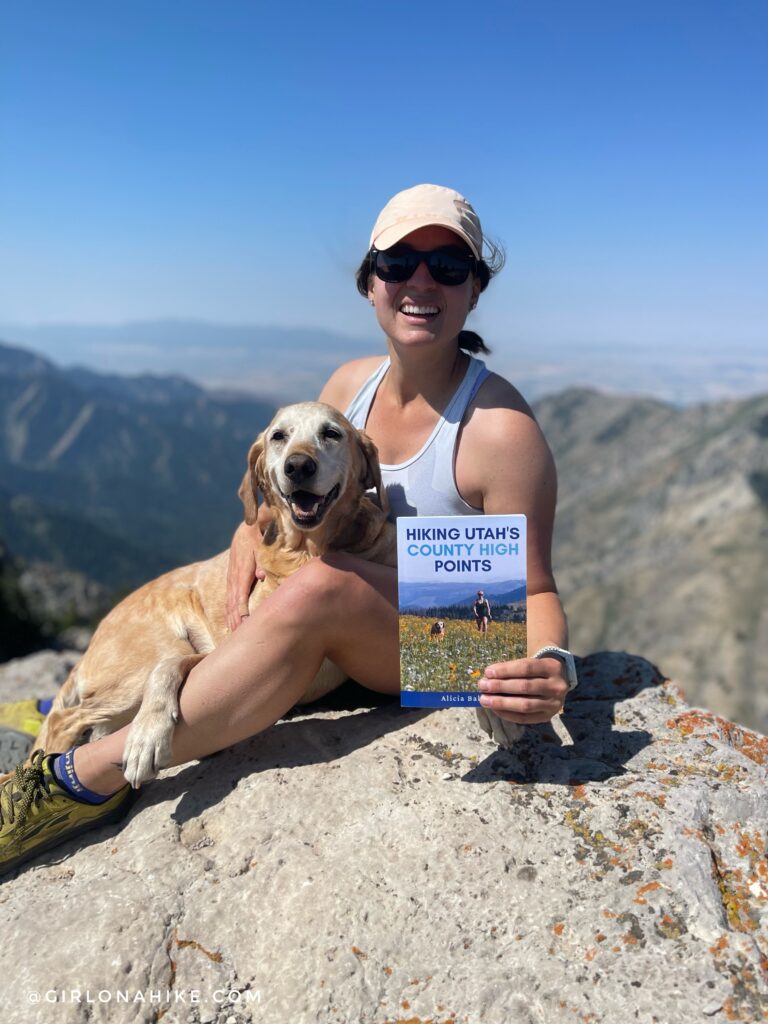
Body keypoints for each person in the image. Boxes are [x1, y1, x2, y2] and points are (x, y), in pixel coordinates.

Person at [0, 183, 577, 878]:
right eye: (398, 264)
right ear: (371, 284)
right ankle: (97, 706)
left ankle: (81, 779)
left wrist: (549, 666)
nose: (421, 281)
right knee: (284, 583)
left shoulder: (500, 430)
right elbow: (291, 489)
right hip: (348, 621)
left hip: (445, 640)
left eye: (449, 266)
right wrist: (251, 533)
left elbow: (532, 588)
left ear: (475, 289)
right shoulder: (349, 384)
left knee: (322, 586)